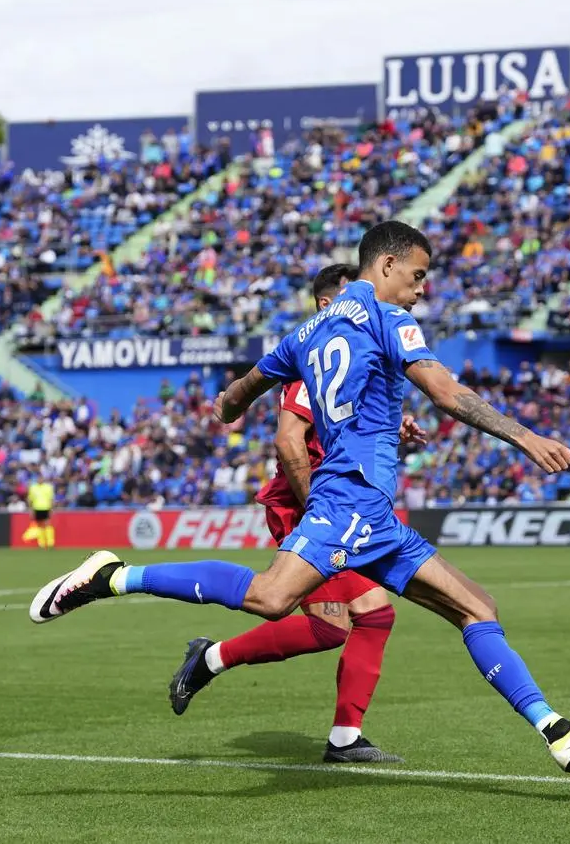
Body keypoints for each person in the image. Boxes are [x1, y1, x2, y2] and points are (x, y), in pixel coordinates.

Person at [30, 220, 570, 774]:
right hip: (347, 502)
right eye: (418, 275)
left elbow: (243, 389)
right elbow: (447, 393)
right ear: (387, 265)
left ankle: (557, 733)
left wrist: (231, 406)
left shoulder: (305, 332)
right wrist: (526, 436)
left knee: (478, 606)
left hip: (371, 512)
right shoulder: (388, 317)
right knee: (272, 597)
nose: (421, 289)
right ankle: (114, 576)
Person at [171, 264, 410, 764]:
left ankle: (339, 734)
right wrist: (313, 511)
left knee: (364, 617)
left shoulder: (346, 351)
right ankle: (209, 656)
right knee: (347, 619)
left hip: (334, 505)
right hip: (308, 506)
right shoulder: (320, 350)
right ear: (328, 304)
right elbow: (287, 439)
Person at [23, 470, 56, 549]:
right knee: (39, 525)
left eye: (41, 478)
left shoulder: (48, 487)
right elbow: (30, 500)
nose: (40, 479)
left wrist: (51, 509)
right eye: (38, 478)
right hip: (37, 508)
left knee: (47, 524)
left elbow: (51, 499)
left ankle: (50, 543)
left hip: (46, 507)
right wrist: (31, 510)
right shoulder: (33, 487)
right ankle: (41, 543)